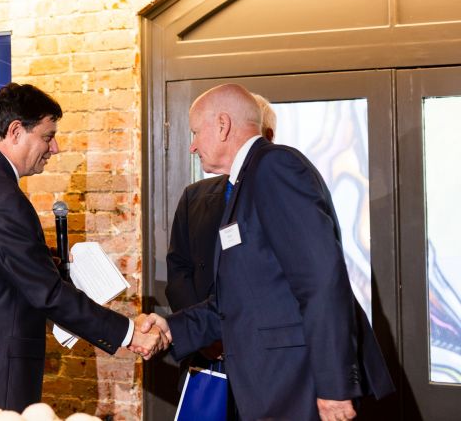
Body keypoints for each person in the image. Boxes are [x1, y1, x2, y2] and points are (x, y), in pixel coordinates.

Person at [0, 83, 167, 412]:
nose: (54, 147)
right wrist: (129, 333)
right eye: (47, 136)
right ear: (16, 131)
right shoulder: (4, 198)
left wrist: (44, 260)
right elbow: (48, 293)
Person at [148, 84, 394, 421]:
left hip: (298, 385)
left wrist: (334, 386)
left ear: (222, 125)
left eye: (195, 132)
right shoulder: (244, 182)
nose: (192, 145)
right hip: (269, 384)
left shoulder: (275, 166)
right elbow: (241, 300)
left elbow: (322, 281)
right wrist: (171, 328)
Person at [165, 94, 276, 394]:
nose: (193, 145)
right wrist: (203, 334)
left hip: (263, 356)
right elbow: (178, 271)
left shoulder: (278, 187)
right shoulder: (194, 196)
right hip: (205, 356)